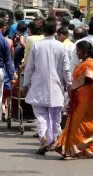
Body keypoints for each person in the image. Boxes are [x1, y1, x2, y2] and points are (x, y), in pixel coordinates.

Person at [55, 41, 93, 160]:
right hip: (79, 97)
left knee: (83, 124)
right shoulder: (83, 63)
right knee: (78, 123)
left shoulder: (90, 64)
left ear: (86, 52)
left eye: (79, 51)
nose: (77, 53)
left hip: (87, 99)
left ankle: (74, 150)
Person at [22, 17, 71, 154]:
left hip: (39, 86)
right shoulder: (61, 46)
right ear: (55, 30)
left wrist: (25, 84)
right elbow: (66, 69)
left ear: (43, 30)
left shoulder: (37, 46)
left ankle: (44, 139)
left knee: (41, 116)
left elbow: (29, 68)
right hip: (56, 87)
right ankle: (54, 140)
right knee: (55, 116)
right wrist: (70, 85)